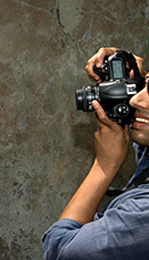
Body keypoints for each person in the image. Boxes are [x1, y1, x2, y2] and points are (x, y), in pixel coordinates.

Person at [42, 47, 149, 260]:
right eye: (144, 86)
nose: (135, 100)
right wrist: (126, 69)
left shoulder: (143, 214)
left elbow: (61, 250)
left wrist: (103, 167)